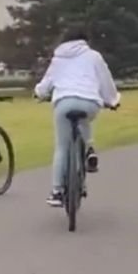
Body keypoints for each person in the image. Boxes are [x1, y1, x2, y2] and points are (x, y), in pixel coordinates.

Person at [33, 28, 120, 207]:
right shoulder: (94, 56)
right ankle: (88, 148)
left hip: (64, 102)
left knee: (62, 147)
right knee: (84, 119)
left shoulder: (58, 59)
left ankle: (57, 191)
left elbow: (45, 85)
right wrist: (112, 100)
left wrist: (39, 94)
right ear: (84, 41)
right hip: (90, 102)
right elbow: (106, 82)